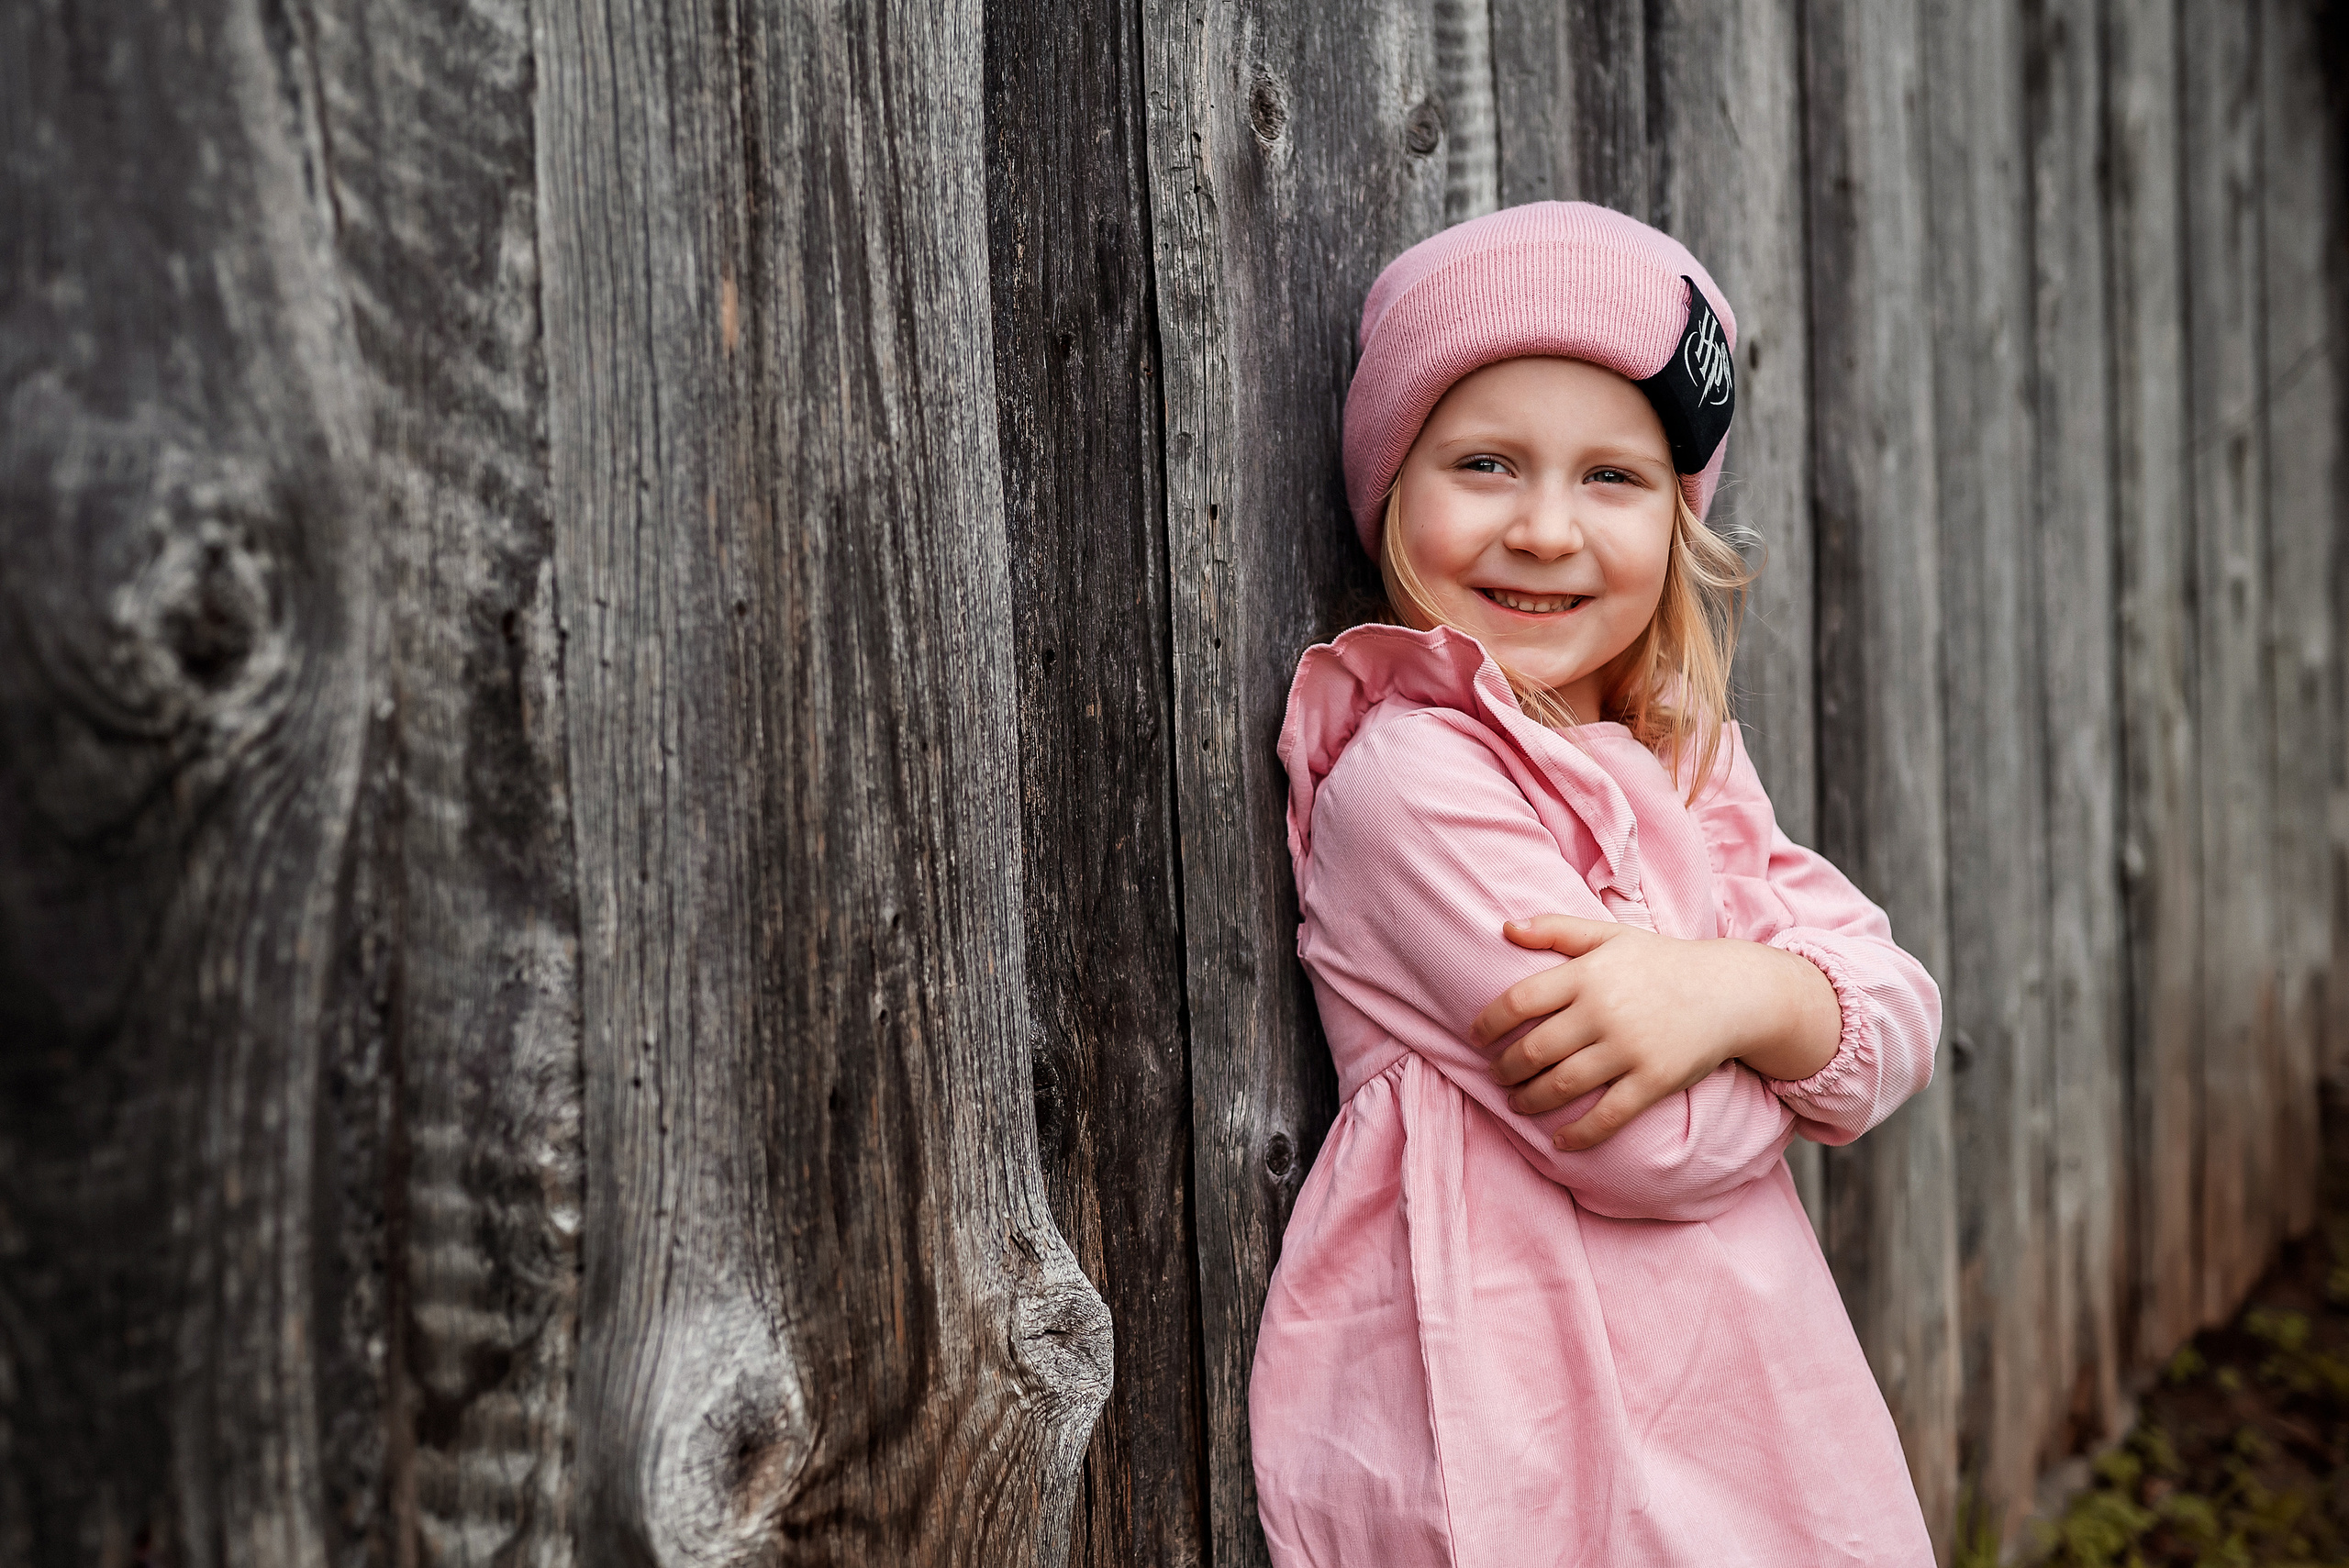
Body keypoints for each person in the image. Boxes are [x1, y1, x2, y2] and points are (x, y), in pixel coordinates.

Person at [1251, 201, 1941, 1566]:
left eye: (1614, 478)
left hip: (1740, 1403)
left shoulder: (1683, 758)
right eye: (1488, 461)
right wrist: (1791, 1037)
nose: (1548, 529)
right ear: (1391, 488)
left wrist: (1729, 992)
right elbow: (1647, 1145)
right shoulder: (1413, 783)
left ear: (1679, 520)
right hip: (1532, 1428)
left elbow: (1900, 1014)